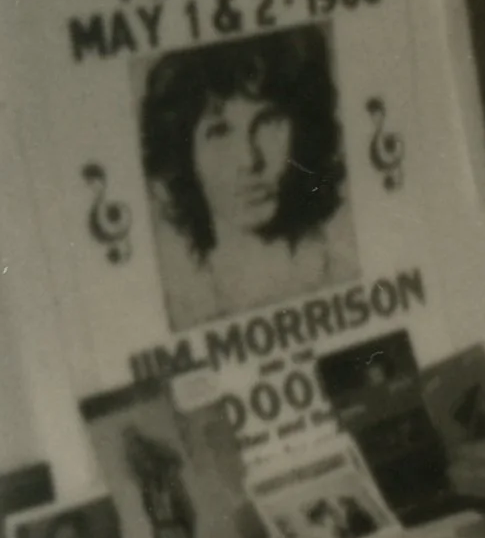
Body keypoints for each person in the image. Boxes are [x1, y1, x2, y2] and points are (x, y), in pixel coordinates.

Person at [138, 27, 356, 332]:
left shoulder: (347, 273)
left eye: (268, 122)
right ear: (185, 157)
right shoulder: (176, 312)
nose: (249, 160)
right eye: (219, 131)